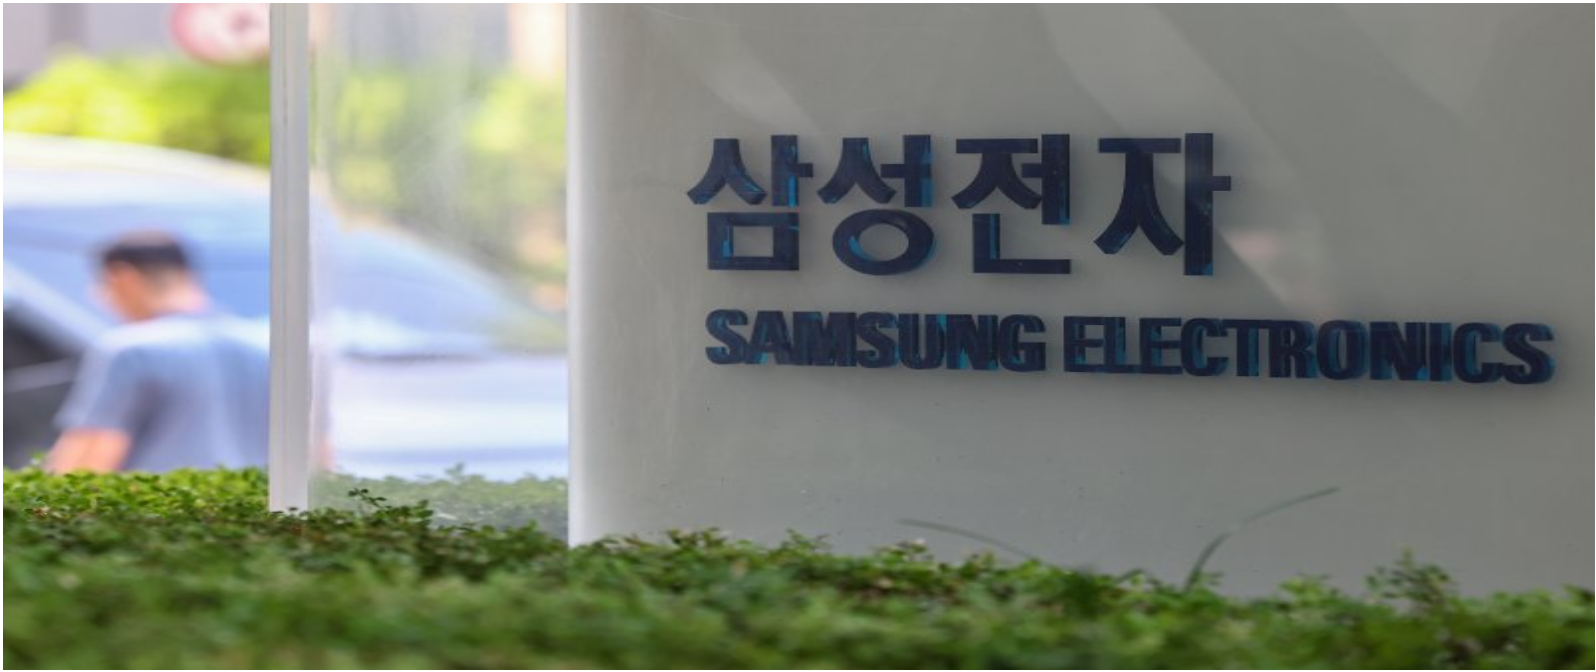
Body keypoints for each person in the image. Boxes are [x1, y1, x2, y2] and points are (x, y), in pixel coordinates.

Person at [46, 231, 269, 473]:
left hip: (162, 496)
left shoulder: (133, 349)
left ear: (123, 277)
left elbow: (90, 456)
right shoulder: (263, 344)